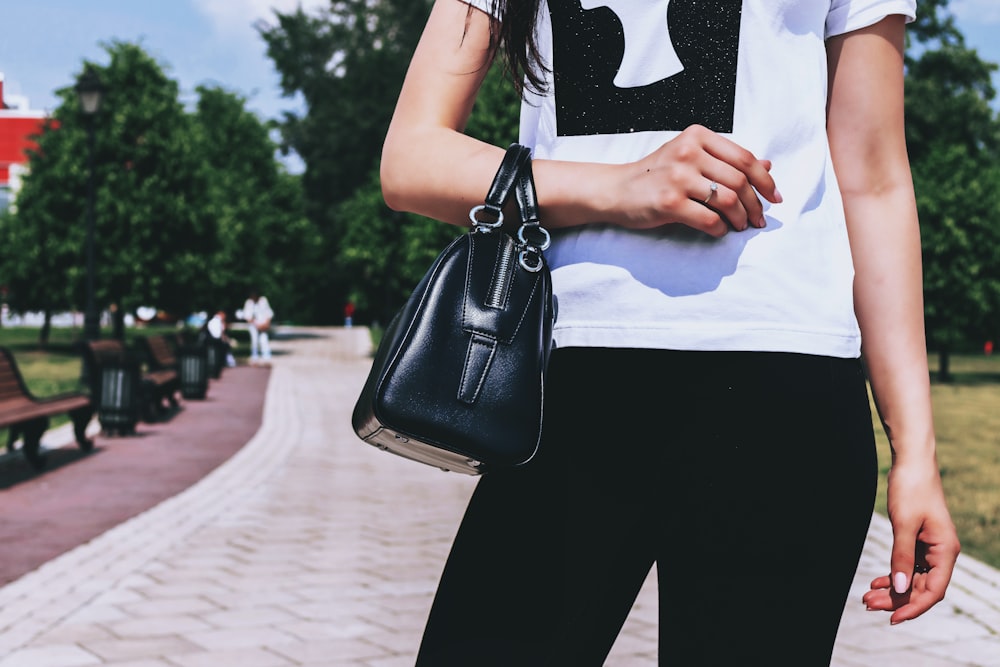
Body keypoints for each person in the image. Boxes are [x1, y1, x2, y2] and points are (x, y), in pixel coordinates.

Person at [381, 1, 962, 665]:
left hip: (784, 386)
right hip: (565, 381)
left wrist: (915, 450)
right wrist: (618, 187)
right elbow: (411, 158)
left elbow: (875, 175)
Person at [241, 291, 273, 365]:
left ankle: (267, 358)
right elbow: (247, 316)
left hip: (263, 324)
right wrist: (256, 324)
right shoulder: (249, 303)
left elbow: (269, 313)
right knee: (254, 341)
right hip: (253, 325)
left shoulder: (263, 300)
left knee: (264, 340)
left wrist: (266, 323)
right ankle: (254, 358)